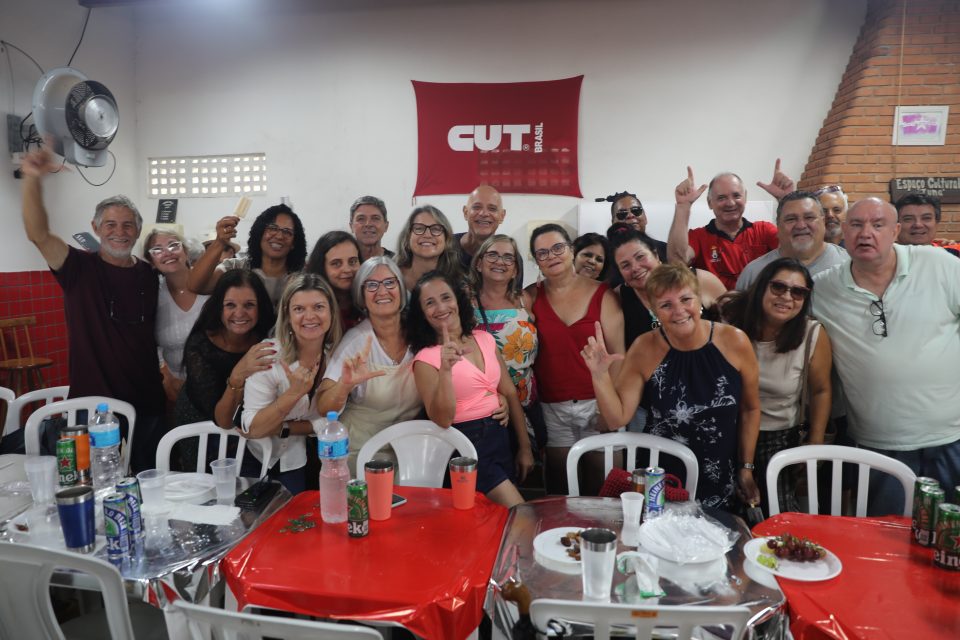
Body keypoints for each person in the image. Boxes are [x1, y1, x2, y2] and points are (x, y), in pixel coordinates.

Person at [811, 197, 960, 515]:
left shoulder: (940, 265)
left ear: (895, 231)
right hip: (877, 444)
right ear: (842, 233)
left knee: (948, 544)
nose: (866, 233)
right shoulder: (823, 289)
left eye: (877, 225)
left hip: (950, 438)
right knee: (884, 544)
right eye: (856, 224)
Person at [20, 147, 164, 473]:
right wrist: (32, 178)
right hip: (92, 407)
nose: (119, 232)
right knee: (94, 485)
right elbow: (37, 234)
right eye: (110, 224)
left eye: (128, 225)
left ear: (138, 231)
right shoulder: (77, 269)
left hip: (148, 403)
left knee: (148, 483)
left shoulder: (150, 274)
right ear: (96, 228)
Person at [581, 263, 761, 512]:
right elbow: (616, 418)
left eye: (686, 299)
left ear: (699, 300)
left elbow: (750, 409)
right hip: (660, 473)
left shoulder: (735, 341)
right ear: (655, 311)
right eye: (666, 305)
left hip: (720, 469)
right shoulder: (644, 348)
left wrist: (746, 467)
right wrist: (599, 375)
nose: (679, 311)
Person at [408, 271, 533, 508]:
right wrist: (445, 370)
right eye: (430, 303)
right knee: (521, 514)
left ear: (457, 300)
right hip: (466, 447)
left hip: (502, 437)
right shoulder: (426, 359)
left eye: (446, 297)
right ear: (422, 314)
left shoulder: (484, 338)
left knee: (499, 522)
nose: (441, 307)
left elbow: (508, 392)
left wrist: (525, 447)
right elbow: (442, 419)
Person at [724, 258, 833, 515]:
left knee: (779, 517)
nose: (787, 297)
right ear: (762, 287)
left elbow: (821, 390)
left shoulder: (811, 334)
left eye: (797, 292)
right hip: (728, 433)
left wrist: (815, 443)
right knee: (724, 515)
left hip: (779, 439)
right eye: (778, 287)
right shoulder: (730, 324)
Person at [525, 224, 624, 495]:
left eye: (558, 248)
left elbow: (619, 356)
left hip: (597, 403)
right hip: (552, 407)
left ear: (571, 250)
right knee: (560, 492)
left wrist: (608, 409)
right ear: (535, 260)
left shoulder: (603, 294)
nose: (552, 256)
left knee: (606, 491)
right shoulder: (530, 297)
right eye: (542, 253)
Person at [317, 257, 421, 475]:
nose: (382, 291)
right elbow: (324, 407)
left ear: (401, 289)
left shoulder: (420, 334)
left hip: (408, 454)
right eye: (372, 285)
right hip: (360, 455)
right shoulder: (356, 341)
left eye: (390, 283)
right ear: (362, 297)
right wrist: (343, 386)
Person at [241, 273, 342, 494]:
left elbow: (330, 419)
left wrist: (286, 428)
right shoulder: (268, 355)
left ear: (331, 313)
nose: (310, 316)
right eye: (299, 309)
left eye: (318, 307)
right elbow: (252, 428)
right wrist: (293, 394)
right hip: (257, 460)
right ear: (287, 315)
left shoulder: (337, 357)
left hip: (304, 461)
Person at [173, 270, 276, 471]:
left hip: (250, 426)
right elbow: (223, 420)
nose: (239, 313)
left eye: (249, 305)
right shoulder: (200, 345)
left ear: (260, 307)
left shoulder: (267, 336)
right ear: (219, 308)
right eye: (230, 305)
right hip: (203, 423)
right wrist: (239, 373)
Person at [668, 160, 794, 289]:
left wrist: (786, 200)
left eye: (736, 196)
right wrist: (683, 206)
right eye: (722, 198)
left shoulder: (763, 230)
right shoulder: (698, 237)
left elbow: (794, 253)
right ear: (710, 203)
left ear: (745, 198)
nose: (730, 203)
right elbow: (677, 263)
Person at [470, 235, 542, 451]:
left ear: (516, 270)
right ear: (479, 264)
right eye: (492, 254)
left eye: (508, 258)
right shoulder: (465, 303)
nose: (500, 262)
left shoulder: (526, 299)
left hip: (528, 402)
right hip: (489, 407)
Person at [608, 224, 725, 349]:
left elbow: (734, 329)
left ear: (656, 255)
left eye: (640, 257)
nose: (635, 268)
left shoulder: (701, 280)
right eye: (625, 265)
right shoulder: (616, 299)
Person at [188, 203, 307, 308]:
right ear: (259, 233)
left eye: (287, 232)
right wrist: (219, 242)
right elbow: (196, 286)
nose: (279, 236)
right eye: (272, 228)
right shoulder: (236, 268)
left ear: (294, 243)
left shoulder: (301, 279)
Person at [143, 228, 209, 406]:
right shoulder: (153, 296)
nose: (167, 253)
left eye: (174, 245)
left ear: (186, 252)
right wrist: (165, 375)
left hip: (218, 384)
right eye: (157, 249)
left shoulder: (211, 284)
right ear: (151, 261)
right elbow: (147, 341)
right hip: (174, 388)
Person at [735, 191, 848, 291]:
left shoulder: (849, 266)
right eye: (791, 219)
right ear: (778, 226)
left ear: (823, 222)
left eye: (809, 217)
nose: (801, 225)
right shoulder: (754, 274)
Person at [305, 231, 363, 331]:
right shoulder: (308, 302)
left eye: (352, 261)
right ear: (322, 267)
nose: (347, 269)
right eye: (336, 263)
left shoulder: (369, 298)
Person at [395, 205, 462, 292]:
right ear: (408, 237)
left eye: (436, 229)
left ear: (446, 239)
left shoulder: (459, 283)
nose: (427, 235)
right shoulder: (391, 276)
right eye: (419, 228)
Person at [455, 185, 506, 271]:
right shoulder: (445, 247)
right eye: (477, 207)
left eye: (492, 209)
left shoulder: (509, 258)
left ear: (502, 216)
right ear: (465, 212)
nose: (484, 213)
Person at [605, 191, 667, 260]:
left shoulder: (665, 250)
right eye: (622, 214)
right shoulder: (604, 254)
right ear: (613, 223)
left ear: (645, 217)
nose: (630, 215)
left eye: (636, 210)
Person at [349, 195, 394, 260]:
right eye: (361, 219)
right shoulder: (345, 264)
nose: (368, 224)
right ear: (351, 226)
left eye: (375, 218)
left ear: (386, 226)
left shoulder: (398, 263)